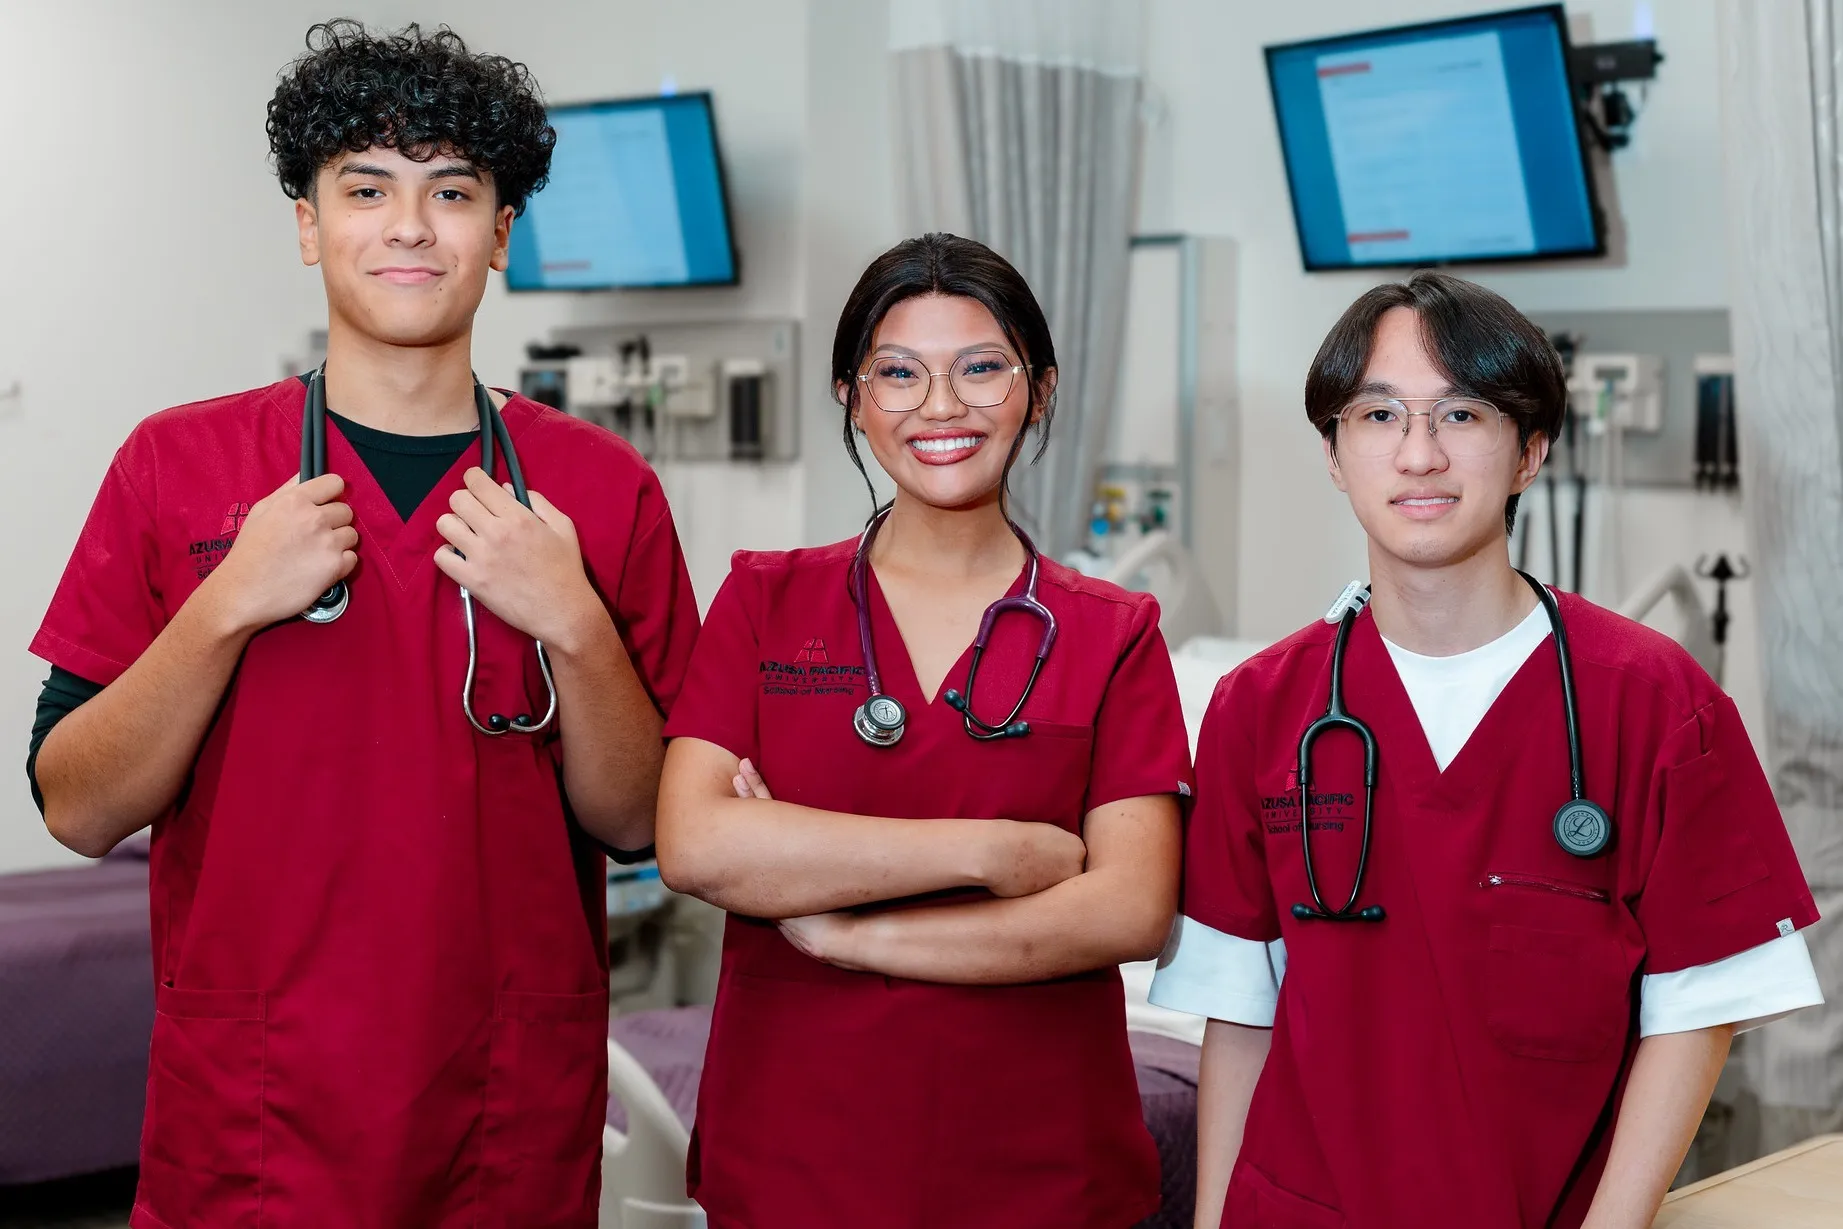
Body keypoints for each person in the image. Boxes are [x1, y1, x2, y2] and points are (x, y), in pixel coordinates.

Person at [27, 21, 698, 1228]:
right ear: (307, 225)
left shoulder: (600, 492)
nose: (407, 225)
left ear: (499, 232)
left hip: (499, 1105)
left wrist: (577, 626)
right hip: (254, 1112)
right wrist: (225, 604)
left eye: (451, 190)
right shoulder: (175, 466)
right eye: (365, 187)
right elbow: (75, 806)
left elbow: (645, 820)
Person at [1150, 270, 1824, 1229]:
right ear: (1336, 455)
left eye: (1460, 413)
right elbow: (1238, 1008)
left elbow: (1695, 1008)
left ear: (1528, 452)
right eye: (1377, 414)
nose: (1417, 454)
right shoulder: (1259, 708)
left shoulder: (1653, 700)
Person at [654, 232, 1193, 1229]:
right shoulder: (766, 601)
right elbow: (696, 843)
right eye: (897, 373)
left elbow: (1127, 909)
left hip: (1040, 1166)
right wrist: (996, 850)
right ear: (851, 397)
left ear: (1038, 389)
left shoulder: (1113, 632)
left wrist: (847, 930)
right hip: (795, 1156)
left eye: (980, 369)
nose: (940, 406)